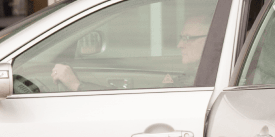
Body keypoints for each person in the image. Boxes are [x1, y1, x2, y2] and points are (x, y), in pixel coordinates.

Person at [51, 16, 209, 91]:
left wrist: (76, 85)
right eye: (181, 38)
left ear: (210, 40)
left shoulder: (207, 79)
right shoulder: (195, 75)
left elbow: (141, 106)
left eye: (187, 38)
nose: (179, 45)